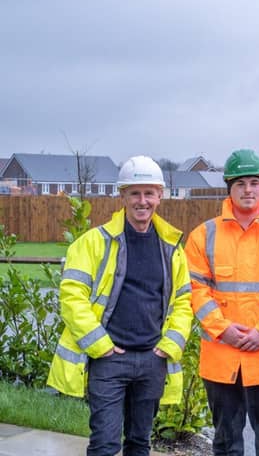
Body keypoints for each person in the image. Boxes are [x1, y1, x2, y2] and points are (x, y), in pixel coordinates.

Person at [47, 155, 193, 456]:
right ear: (122, 196)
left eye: (149, 193)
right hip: (109, 360)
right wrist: (101, 346)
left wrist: (168, 347)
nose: (142, 201)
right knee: (105, 444)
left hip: (153, 360)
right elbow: (72, 298)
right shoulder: (93, 243)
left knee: (140, 444)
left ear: (160, 196)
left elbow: (183, 302)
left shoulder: (171, 248)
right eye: (134, 193)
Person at [185, 149, 259, 456]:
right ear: (229, 188)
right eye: (240, 183)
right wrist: (222, 329)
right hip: (222, 359)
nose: (248, 189)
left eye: (254, 182)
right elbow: (195, 289)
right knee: (226, 443)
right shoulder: (204, 235)